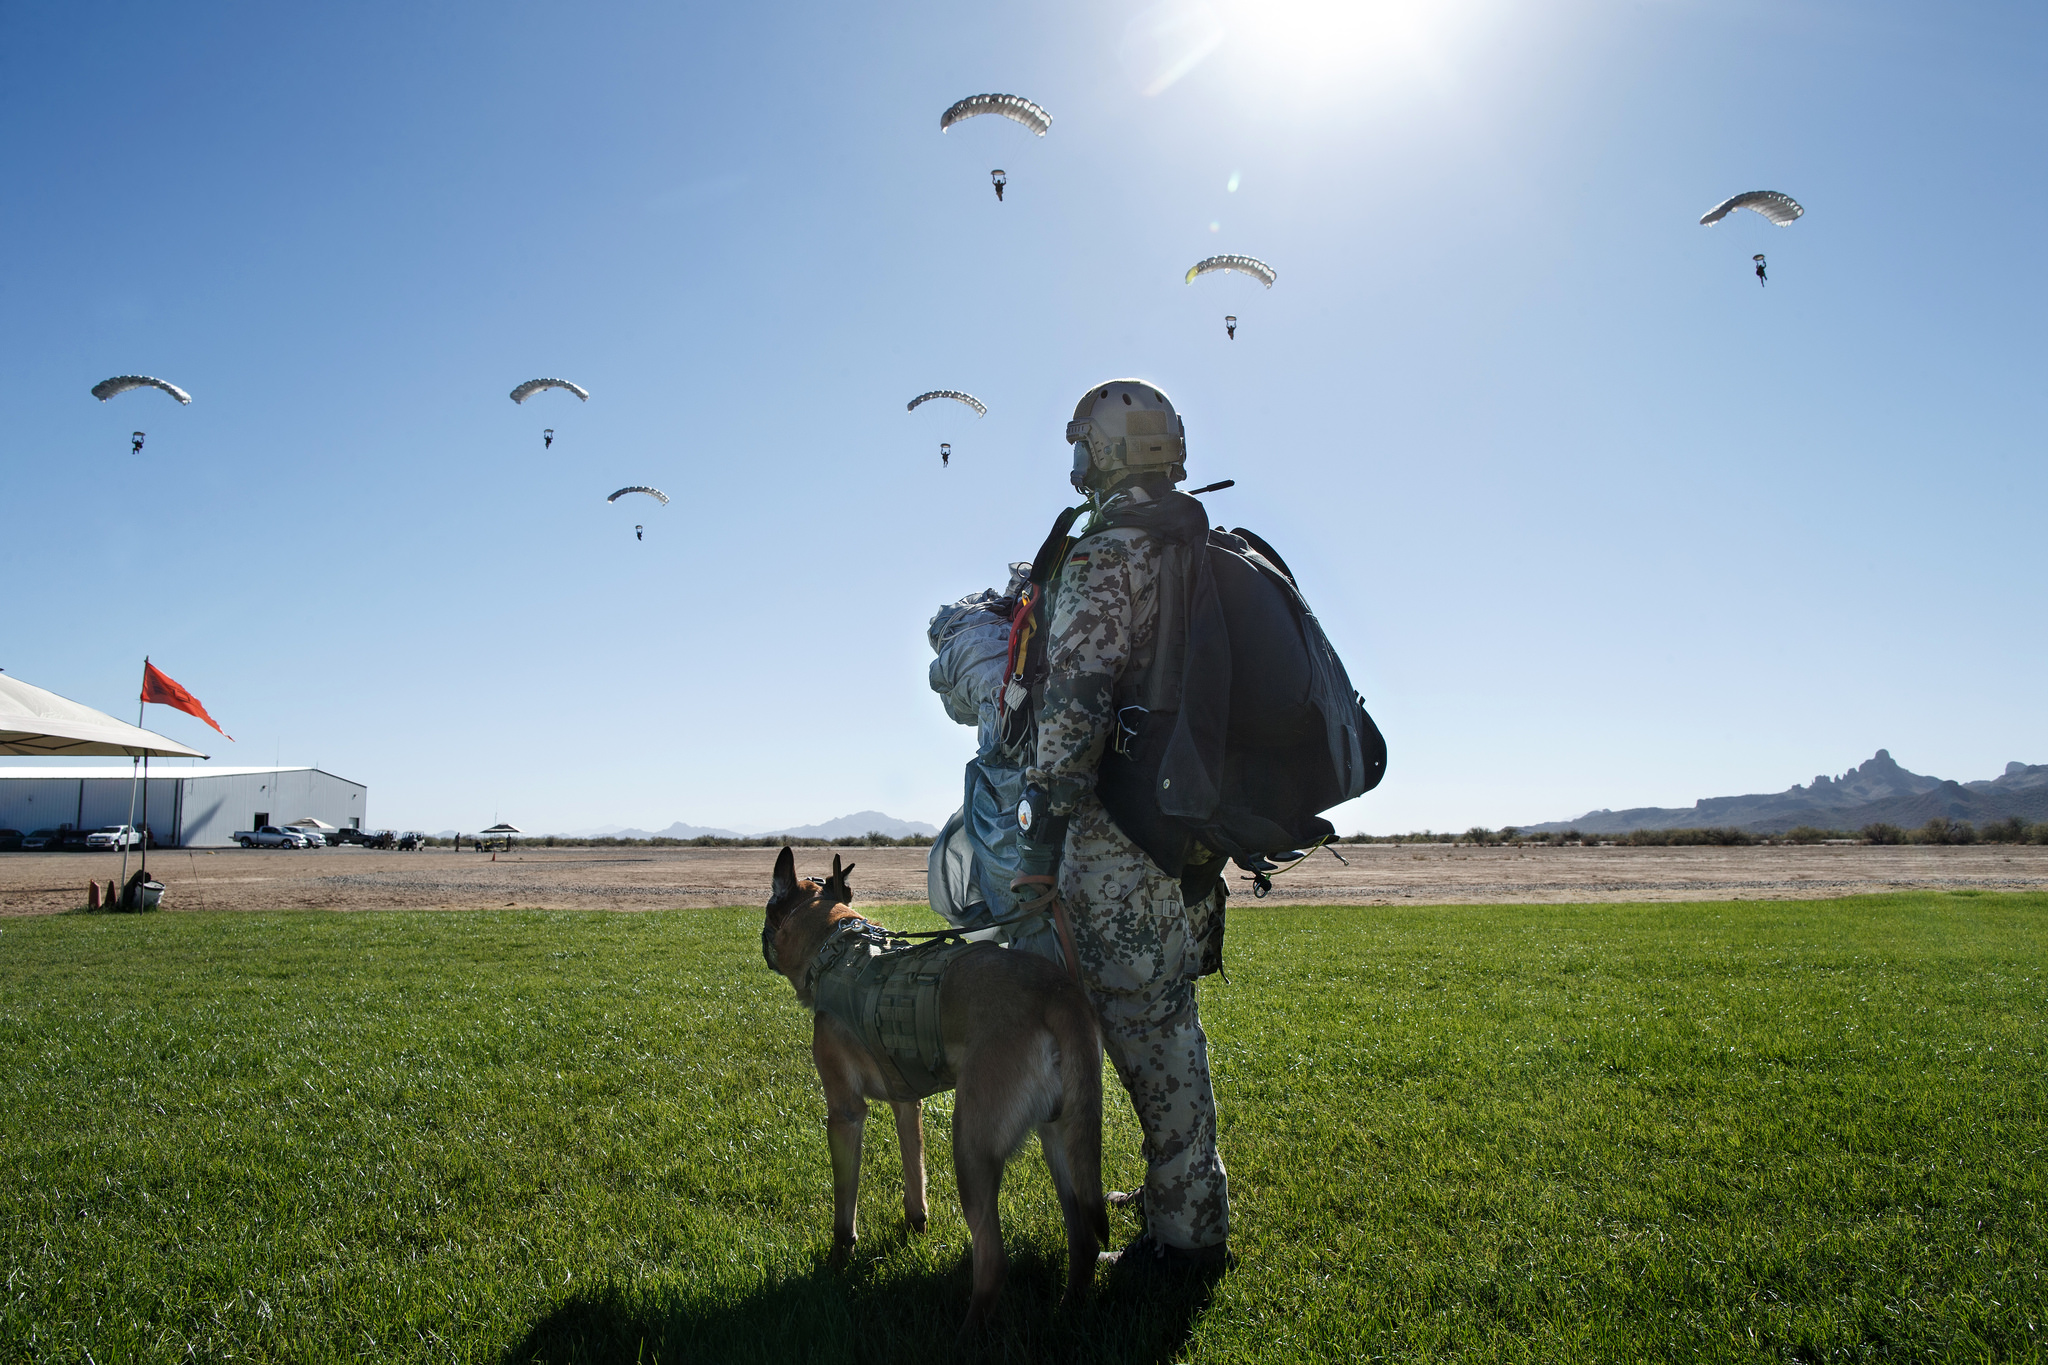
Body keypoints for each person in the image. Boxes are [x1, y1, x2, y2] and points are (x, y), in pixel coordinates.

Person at [1011, 378, 1231, 1272]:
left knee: (1147, 1030)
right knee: (1169, 1020)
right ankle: (1186, 1202)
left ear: (1104, 451)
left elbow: (1074, 704)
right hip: (1187, 827)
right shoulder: (1191, 538)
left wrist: (1038, 834)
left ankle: (1186, 1241)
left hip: (1120, 839)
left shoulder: (1114, 551)